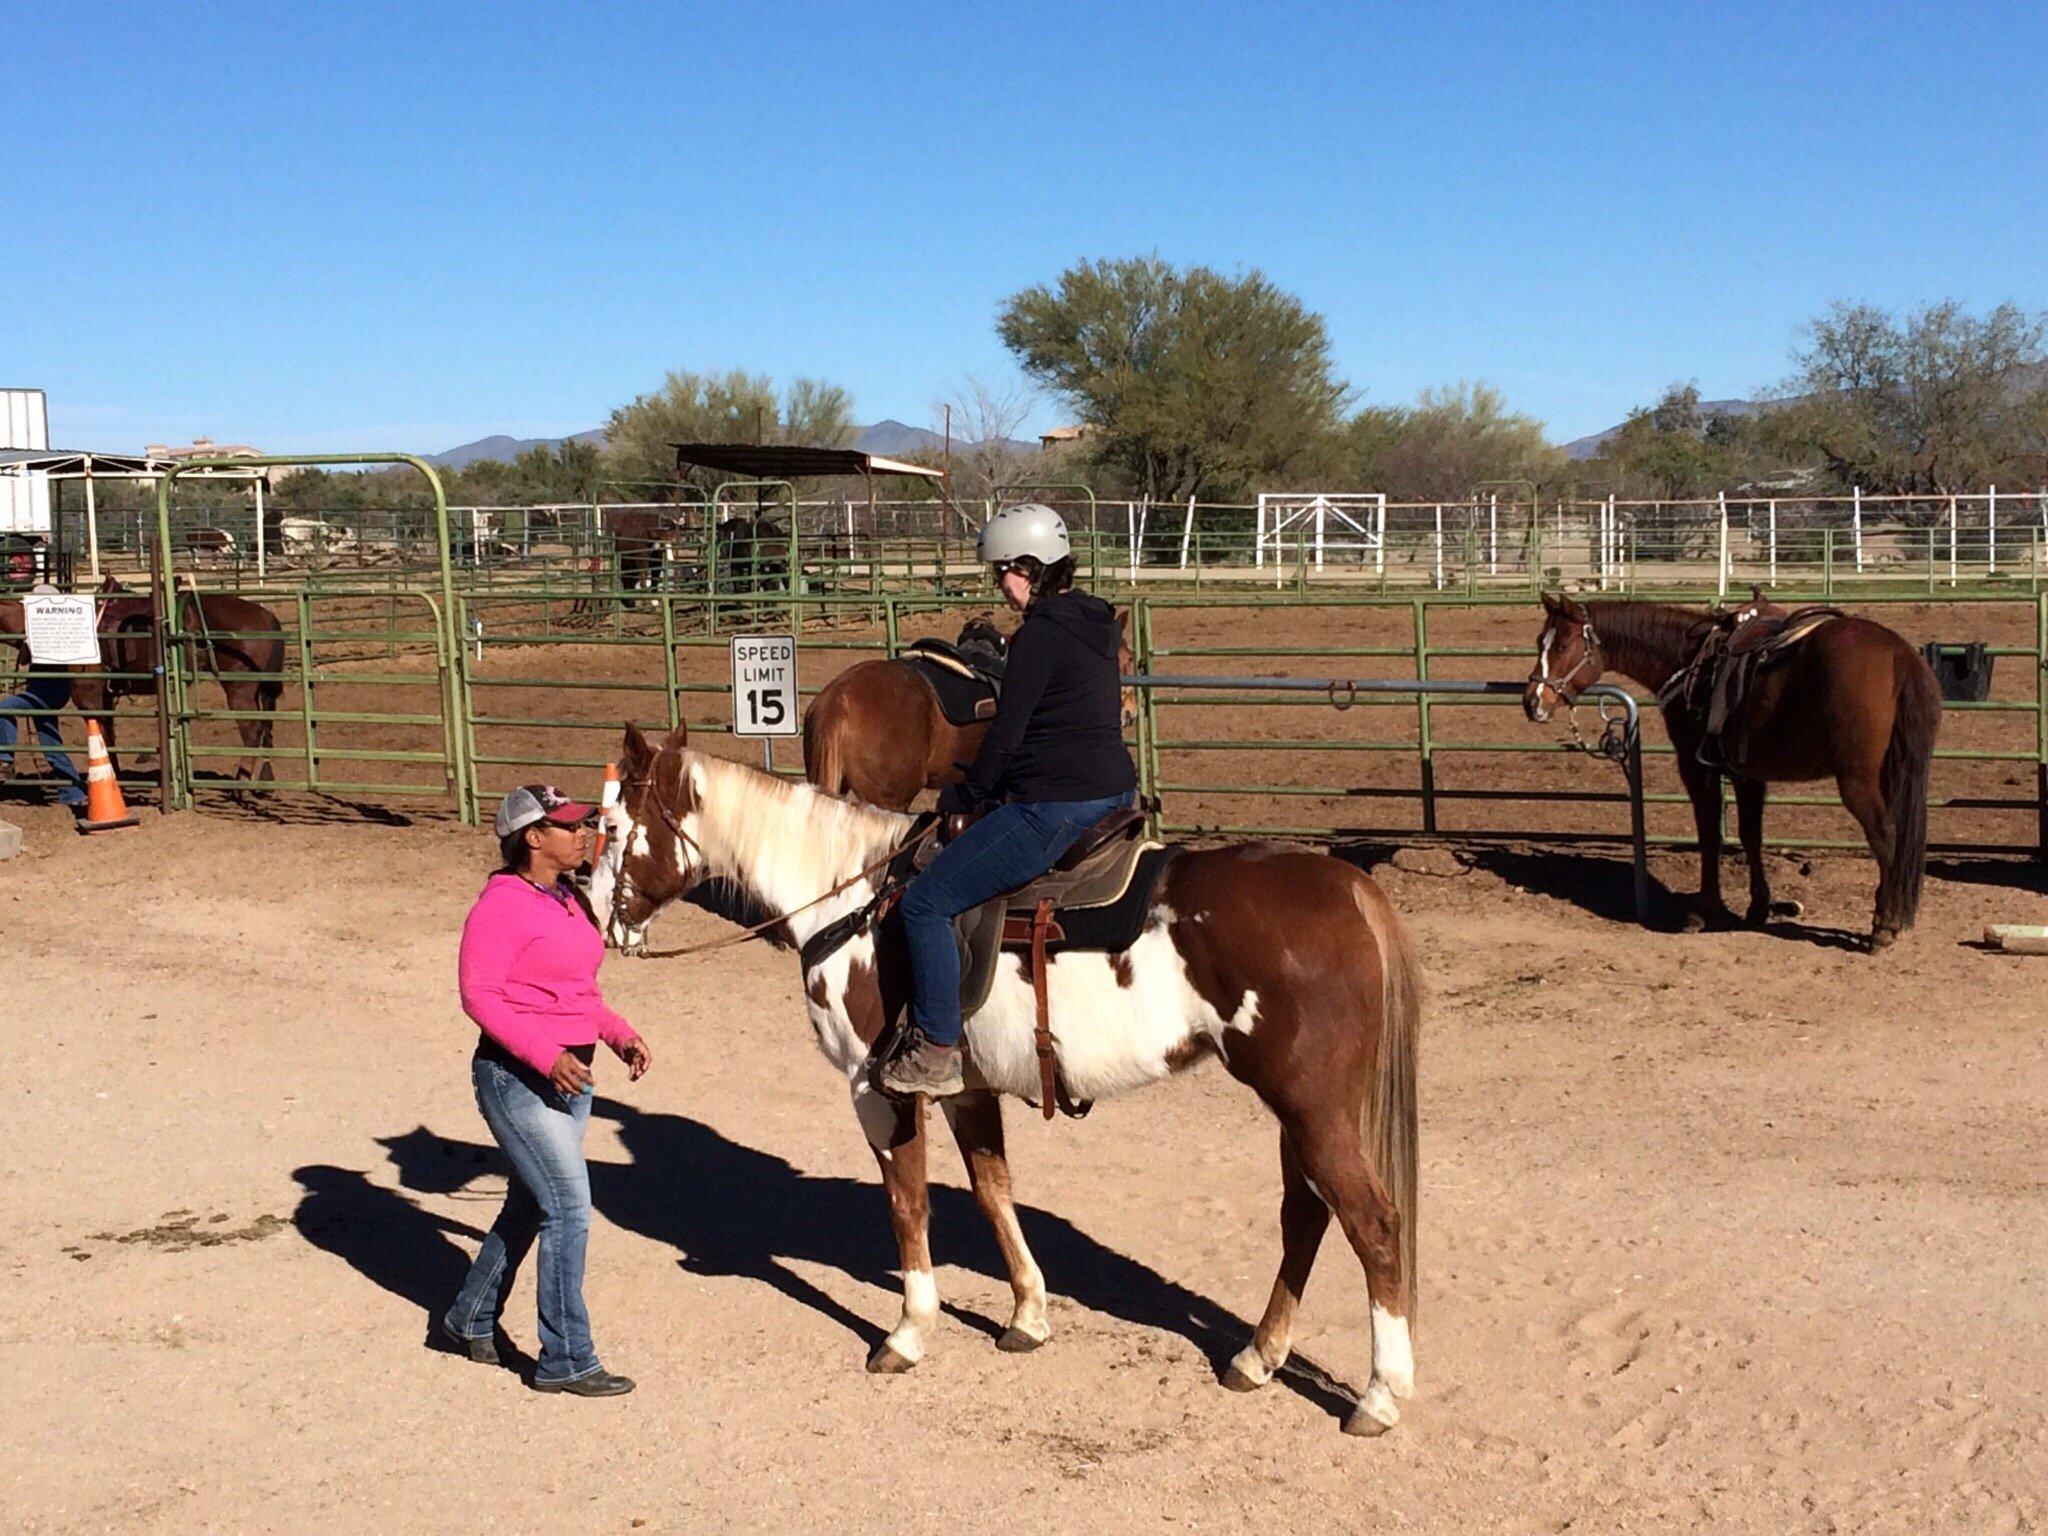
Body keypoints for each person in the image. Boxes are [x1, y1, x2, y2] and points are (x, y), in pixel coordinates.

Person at [880, 504, 1138, 1099]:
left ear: (1032, 566)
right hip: (1115, 790)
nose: (1001, 584)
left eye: (1004, 571)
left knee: (924, 902)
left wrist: (965, 794)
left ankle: (937, 1050)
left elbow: (1008, 734)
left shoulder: (1038, 637)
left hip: (1057, 804)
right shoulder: (1098, 623)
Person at [444, 784, 652, 1395]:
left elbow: (579, 990)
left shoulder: (566, 900)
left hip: (573, 1074)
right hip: (516, 1078)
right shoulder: (500, 906)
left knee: (532, 1204)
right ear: (532, 838)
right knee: (568, 1208)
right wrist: (546, 1054)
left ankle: (467, 1318)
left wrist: (617, 1034)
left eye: (584, 824)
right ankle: (566, 1358)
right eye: (568, 827)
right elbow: (478, 995)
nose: (583, 833)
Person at [0, 584, 87, 812]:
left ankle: (5, 758)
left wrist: (26, 642)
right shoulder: (57, 630)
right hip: (49, 691)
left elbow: (26, 658)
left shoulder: (47, 630)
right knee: (50, 742)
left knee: (5, 708)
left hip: (44, 692)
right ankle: (73, 791)